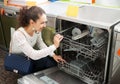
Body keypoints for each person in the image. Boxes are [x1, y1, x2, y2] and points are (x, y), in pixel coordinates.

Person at [10, 6, 65, 73]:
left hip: (29, 56)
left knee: (52, 63)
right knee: (31, 73)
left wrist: (53, 55)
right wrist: (54, 46)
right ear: (32, 22)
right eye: (42, 23)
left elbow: (40, 44)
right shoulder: (18, 35)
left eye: (45, 22)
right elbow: (34, 55)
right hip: (19, 60)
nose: (45, 25)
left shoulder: (37, 30)